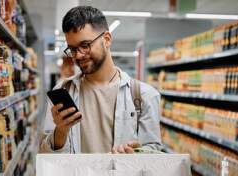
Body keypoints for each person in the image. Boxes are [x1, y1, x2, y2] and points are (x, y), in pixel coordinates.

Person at [40, 6, 162, 154]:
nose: (78, 55)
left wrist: (137, 153)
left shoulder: (144, 95)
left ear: (106, 39)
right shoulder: (63, 90)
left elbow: (154, 154)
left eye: (85, 45)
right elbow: (45, 155)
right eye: (72, 49)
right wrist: (61, 131)